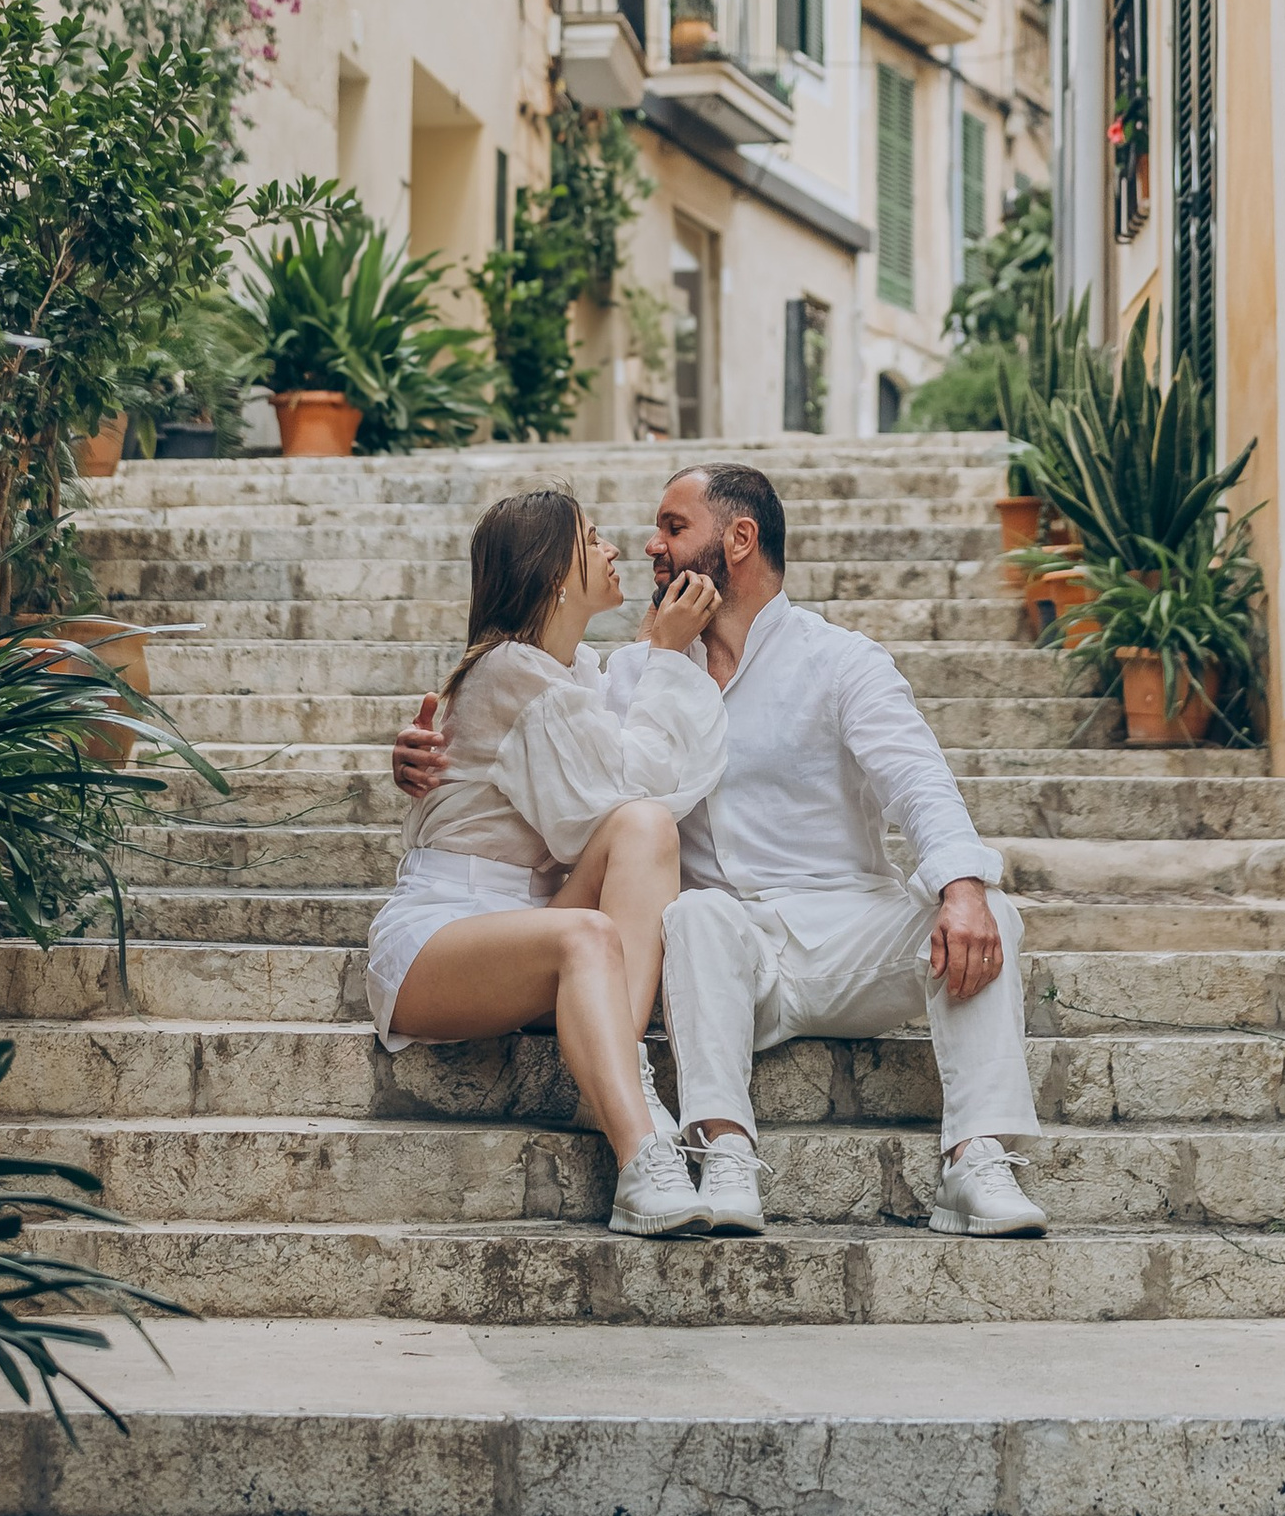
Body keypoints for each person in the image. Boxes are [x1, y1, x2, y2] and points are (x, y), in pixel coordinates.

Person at [394, 460, 1046, 1239]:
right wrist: (432, 751)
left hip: (849, 932)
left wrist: (961, 886)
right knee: (695, 912)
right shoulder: (629, 668)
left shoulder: (841, 659)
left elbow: (918, 780)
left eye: (673, 528)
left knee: (989, 908)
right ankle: (723, 1151)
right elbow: (549, 751)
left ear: (739, 538)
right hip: (727, 953)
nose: (650, 546)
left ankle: (978, 1160)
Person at [368, 485, 725, 1239]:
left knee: (646, 828)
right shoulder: (510, 668)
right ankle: (641, 1156)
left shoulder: (573, 669)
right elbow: (604, 796)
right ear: (553, 570)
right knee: (589, 929)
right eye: (592, 538)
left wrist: (657, 654)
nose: (614, 548)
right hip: (440, 935)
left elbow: (634, 798)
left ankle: (619, 1072)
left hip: (524, 926)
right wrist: (665, 657)